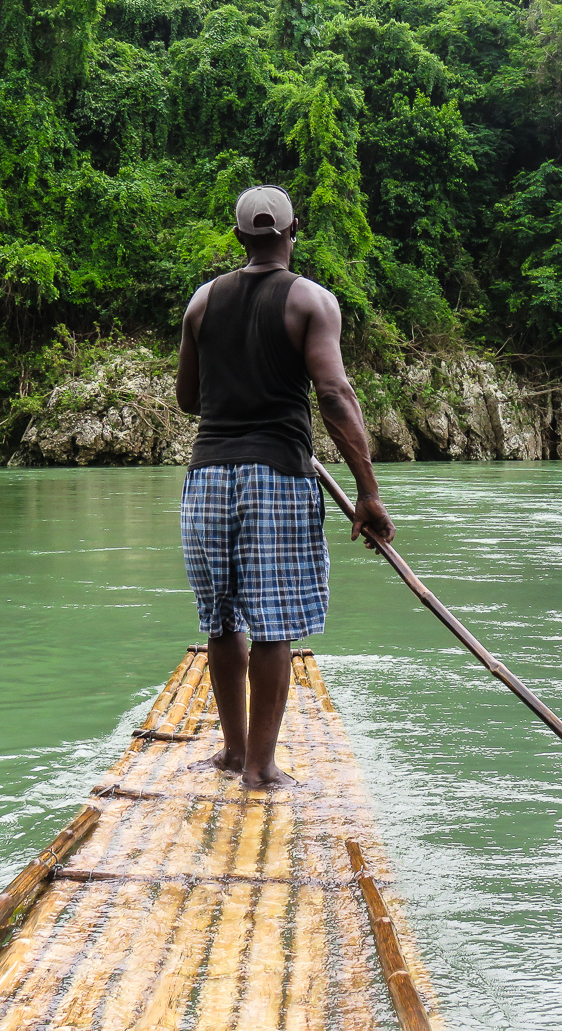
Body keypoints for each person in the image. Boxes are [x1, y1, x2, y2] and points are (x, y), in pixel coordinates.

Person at [174, 184, 395, 790]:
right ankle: (260, 769)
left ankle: (232, 753)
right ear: (293, 230)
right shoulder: (311, 302)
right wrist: (368, 492)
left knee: (222, 622)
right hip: (276, 475)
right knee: (273, 626)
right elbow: (333, 394)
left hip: (209, 476)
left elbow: (189, 399)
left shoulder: (201, 302)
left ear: (239, 236)